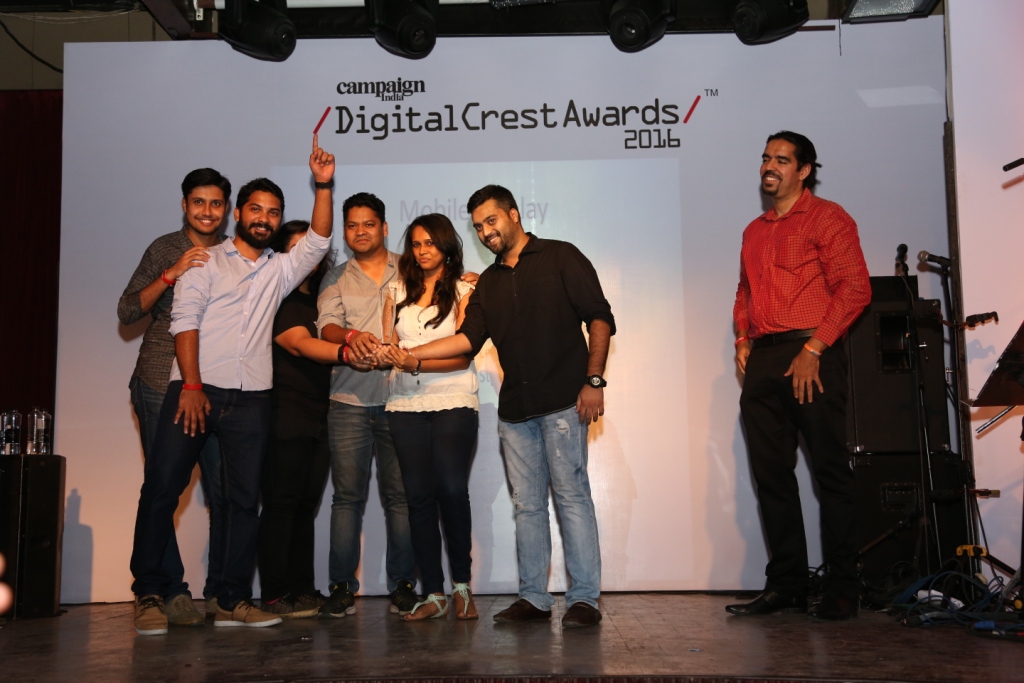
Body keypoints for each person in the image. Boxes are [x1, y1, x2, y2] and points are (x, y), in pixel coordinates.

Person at [129, 135, 336, 635]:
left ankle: (230, 598)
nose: (264, 219)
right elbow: (184, 322)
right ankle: (150, 592)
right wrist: (192, 386)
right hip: (196, 392)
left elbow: (319, 240)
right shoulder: (204, 261)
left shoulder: (279, 270)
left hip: (252, 399)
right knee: (163, 488)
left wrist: (324, 186)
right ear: (238, 214)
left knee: (243, 501)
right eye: (255, 210)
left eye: (273, 212)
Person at [405, 185, 614, 629]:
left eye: (491, 221)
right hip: (515, 412)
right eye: (478, 227)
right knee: (527, 507)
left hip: (564, 401)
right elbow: (466, 340)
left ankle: (584, 599)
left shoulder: (561, 256)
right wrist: (412, 355)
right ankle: (534, 597)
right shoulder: (489, 283)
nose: (485, 232)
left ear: (513, 215)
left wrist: (594, 380)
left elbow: (599, 316)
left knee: (572, 497)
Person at [727, 131, 870, 621]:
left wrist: (814, 348)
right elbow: (744, 291)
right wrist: (742, 337)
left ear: (804, 170)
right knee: (771, 476)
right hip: (764, 358)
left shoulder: (828, 218)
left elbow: (855, 288)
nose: (770, 166)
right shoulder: (754, 230)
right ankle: (787, 584)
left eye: (782, 160)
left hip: (813, 352)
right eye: (766, 157)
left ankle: (843, 587)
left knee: (830, 473)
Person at [117, 168, 232, 626]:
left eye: (216, 203)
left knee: (226, 492)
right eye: (198, 202)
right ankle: (165, 591)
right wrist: (171, 274)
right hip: (158, 381)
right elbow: (128, 310)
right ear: (184, 205)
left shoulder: (233, 252)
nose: (207, 211)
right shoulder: (165, 248)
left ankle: (221, 591)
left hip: (216, 386)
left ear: (227, 209)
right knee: (163, 488)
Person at [315, 192, 418, 618]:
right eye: (353, 225)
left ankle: (403, 585)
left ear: (384, 228)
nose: (360, 232)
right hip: (348, 400)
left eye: (368, 224)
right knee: (347, 498)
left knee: (401, 498)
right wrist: (351, 337)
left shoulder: (412, 269)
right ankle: (341, 586)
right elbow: (326, 327)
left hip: (402, 399)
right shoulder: (336, 277)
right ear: (345, 231)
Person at [379, 214, 480, 621]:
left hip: (454, 398)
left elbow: (464, 353)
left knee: (451, 489)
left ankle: (462, 586)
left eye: (430, 243)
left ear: (447, 247)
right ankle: (434, 593)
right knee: (418, 498)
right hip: (405, 404)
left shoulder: (464, 289)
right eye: (416, 244)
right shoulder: (396, 290)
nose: (422, 251)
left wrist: (415, 361)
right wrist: (380, 353)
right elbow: (390, 345)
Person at [257, 220, 342, 619]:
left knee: (306, 505)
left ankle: (303, 588)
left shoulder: (322, 302)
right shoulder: (275, 299)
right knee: (281, 503)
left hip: (321, 414)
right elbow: (300, 344)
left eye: (313, 250)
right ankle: (275, 593)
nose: (307, 258)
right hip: (285, 412)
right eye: (296, 250)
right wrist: (348, 351)